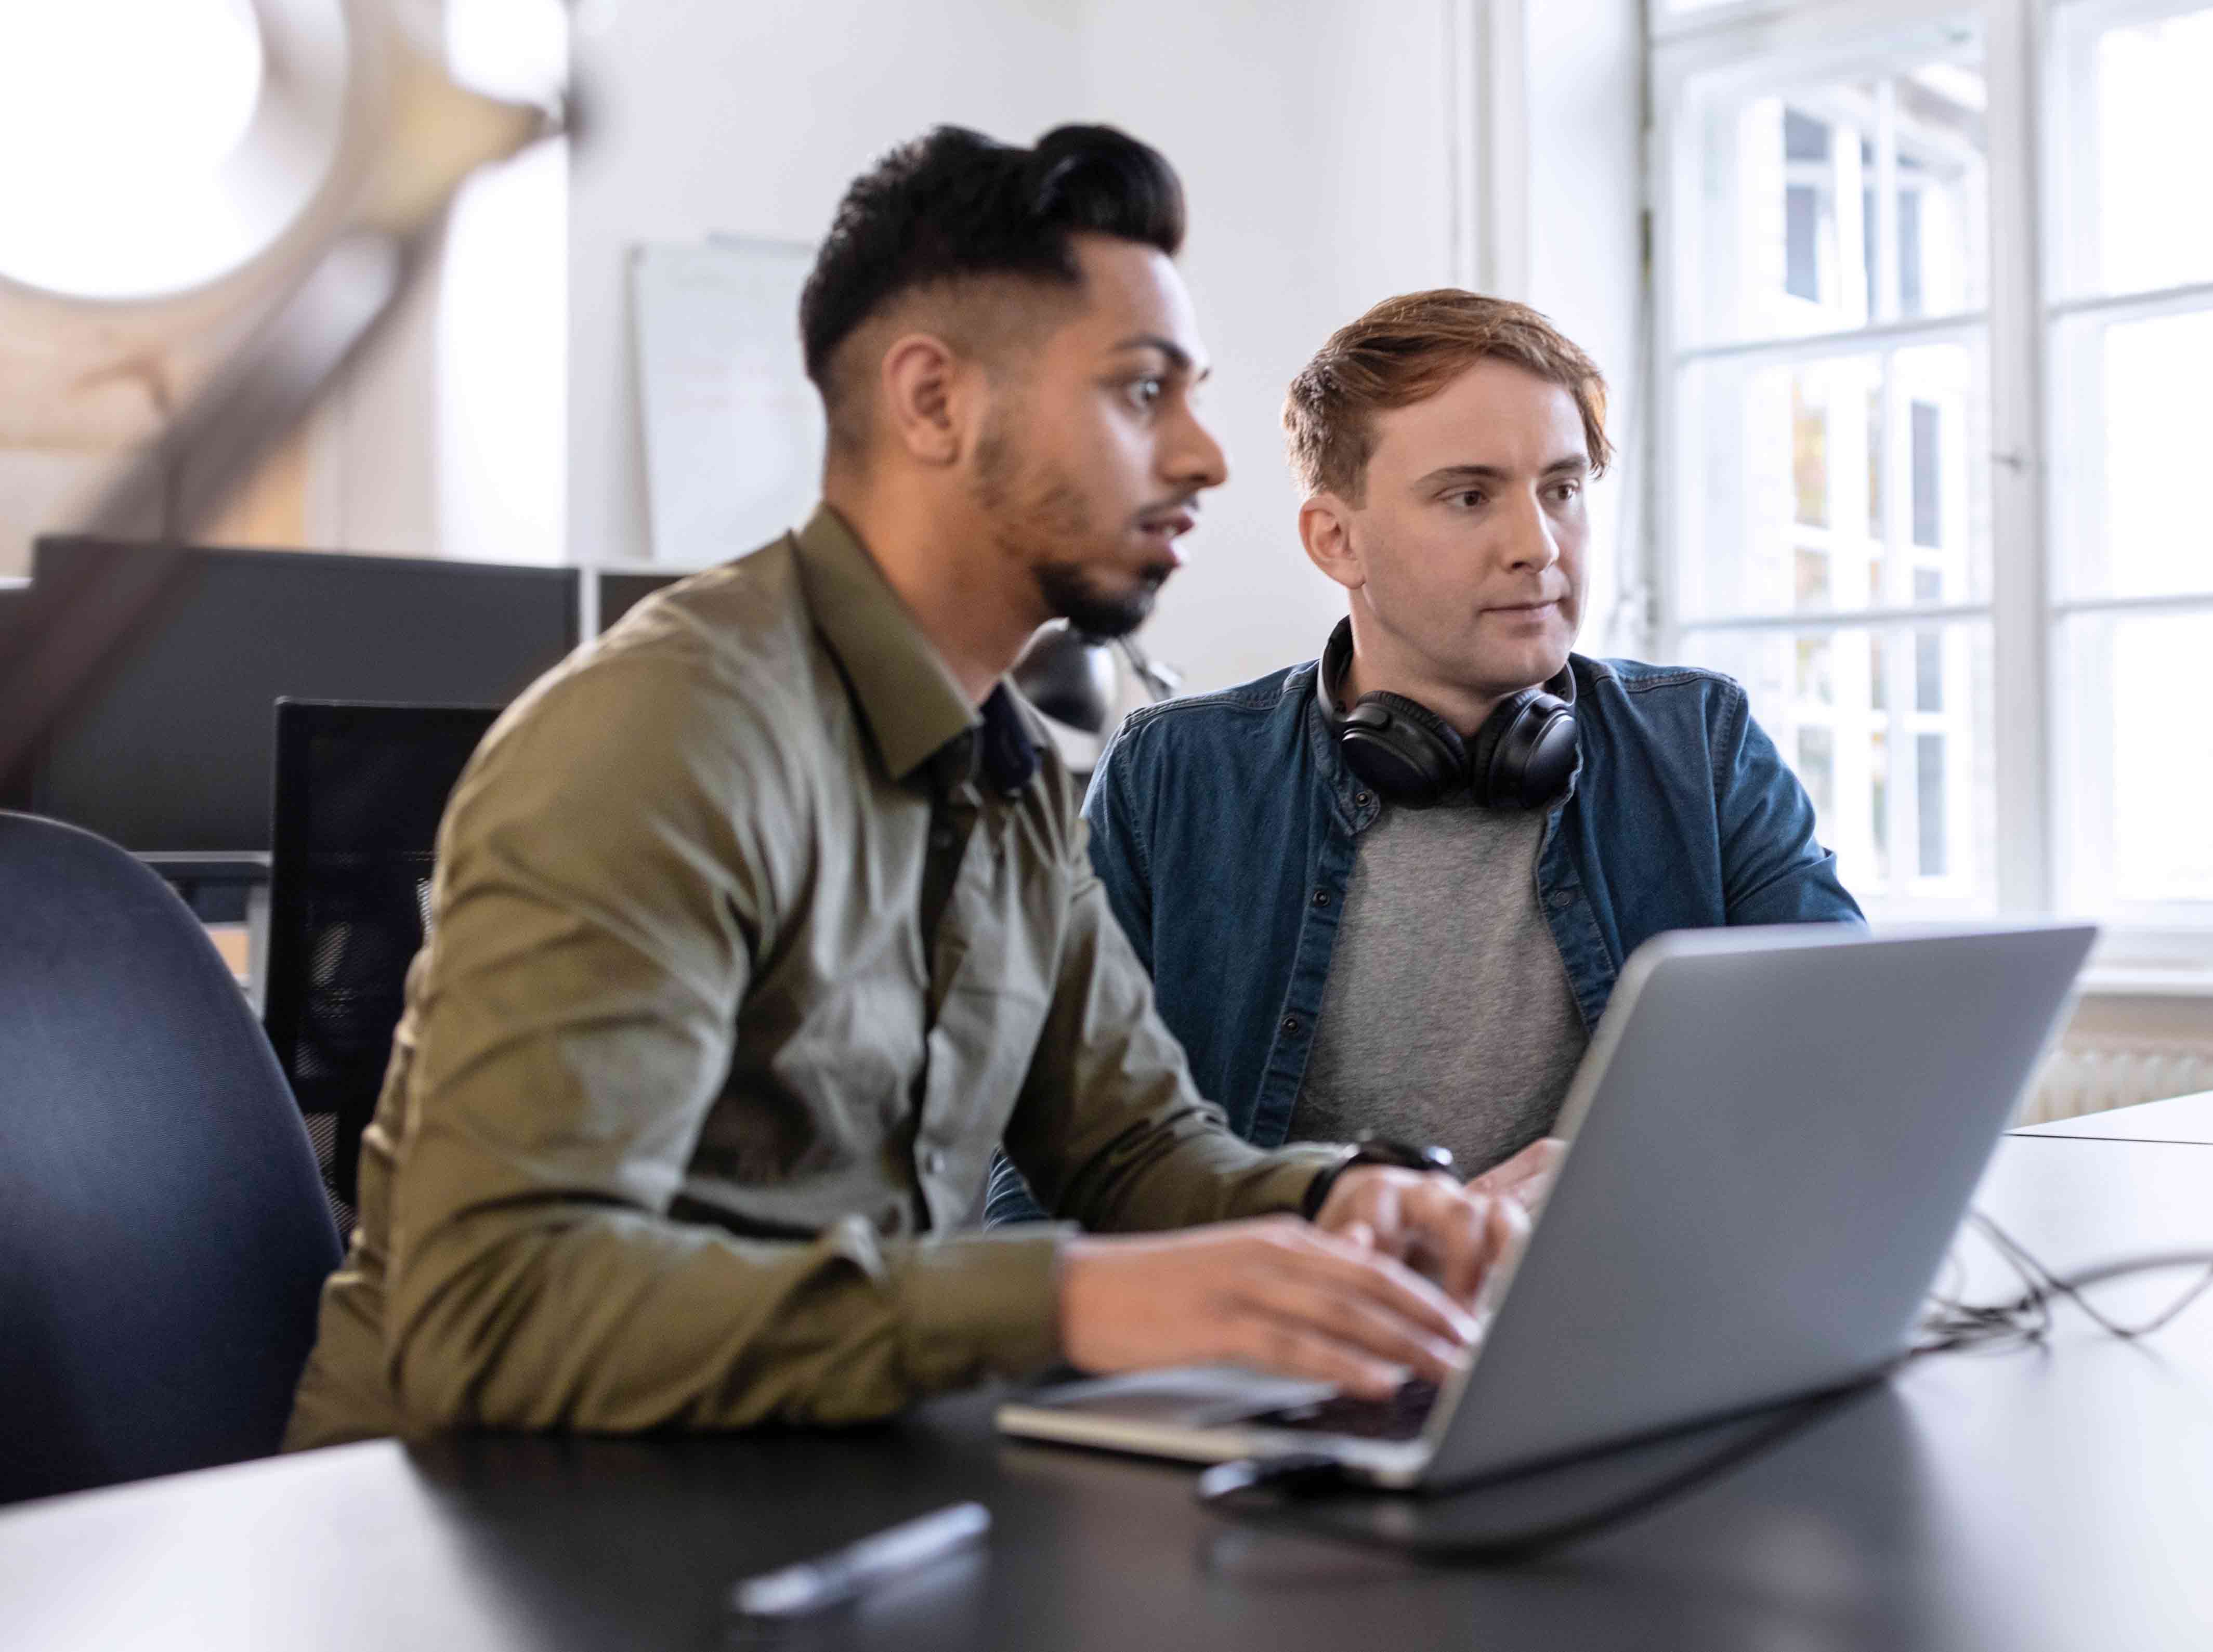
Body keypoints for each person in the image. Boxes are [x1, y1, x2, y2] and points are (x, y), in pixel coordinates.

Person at [284, 126, 1524, 1450]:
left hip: (791, 1495)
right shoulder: (665, 741)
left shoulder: (1011, 765)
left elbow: (1132, 1152)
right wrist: (1066, 1299)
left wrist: (1342, 1204)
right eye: (1141, 392)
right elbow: (500, 1313)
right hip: (474, 1531)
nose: (1205, 455)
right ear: (934, 401)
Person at [985, 290, 1859, 1230]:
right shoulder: (1173, 778)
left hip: (1633, 1298)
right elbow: (1038, 1188)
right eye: (1469, 496)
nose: (1537, 546)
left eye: (1561, 488)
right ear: (1337, 539)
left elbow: (1852, 1064)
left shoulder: (1702, 742)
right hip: (1297, 1342)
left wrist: (1631, 1166)